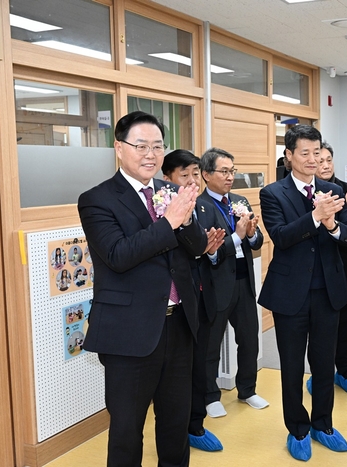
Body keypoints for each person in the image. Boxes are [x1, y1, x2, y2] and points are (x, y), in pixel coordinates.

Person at [78, 111, 207, 467]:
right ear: (119, 148)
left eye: (158, 146)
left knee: (175, 424)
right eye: (141, 146)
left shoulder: (171, 191)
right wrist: (170, 221)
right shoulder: (97, 199)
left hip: (179, 326)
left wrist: (187, 217)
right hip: (129, 333)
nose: (151, 154)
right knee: (126, 431)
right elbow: (119, 256)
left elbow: (195, 248)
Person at [258, 124, 347, 461]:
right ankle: (297, 428)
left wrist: (332, 225)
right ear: (289, 156)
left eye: (318, 152)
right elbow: (281, 236)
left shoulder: (333, 189)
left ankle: (323, 424)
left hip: (328, 291)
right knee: (290, 365)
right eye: (306, 153)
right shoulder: (273, 193)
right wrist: (315, 216)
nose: (313, 159)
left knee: (323, 362)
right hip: (290, 294)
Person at [162, 149, 226, 452]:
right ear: (167, 179)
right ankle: (180, 428)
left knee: (200, 366)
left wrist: (210, 250)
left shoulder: (203, 207)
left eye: (195, 175)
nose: (191, 182)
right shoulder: (163, 211)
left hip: (203, 298)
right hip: (175, 306)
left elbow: (215, 249)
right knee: (176, 376)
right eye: (183, 176)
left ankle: (196, 425)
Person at [198, 147, 268, 419]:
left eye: (232, 171)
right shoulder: (200, 206)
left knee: (250, 339)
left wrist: (250, 235)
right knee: (211, 343)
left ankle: (247, 389)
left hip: (244, 280)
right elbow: (209, 249)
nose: (230, 177)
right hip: (216, 284)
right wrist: (238, 237)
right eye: (223, 171)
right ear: (206, 174)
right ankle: (210, 395)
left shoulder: (240, 200)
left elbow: (258, 240)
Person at [308, 141, 347, 395]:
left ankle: (344, 372)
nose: (324, 165)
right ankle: (318, 375)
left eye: (328, 159)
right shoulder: (306, 192)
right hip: (316, 270)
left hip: (344, 267)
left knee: (345, 325)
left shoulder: (345, 189)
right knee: (318, 327)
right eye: (319, 160)